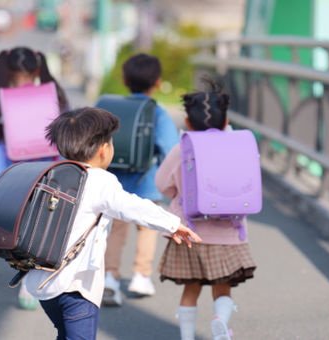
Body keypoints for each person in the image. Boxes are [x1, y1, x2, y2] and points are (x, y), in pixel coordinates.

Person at [23, 107, 202, 340]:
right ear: (103, 150)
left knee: (64, 333)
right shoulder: (99, 180)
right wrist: (171, 223)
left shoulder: (52, 174)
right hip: (77, 288)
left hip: (44, 285)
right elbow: (131, 206)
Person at [155, 82, 257, 340]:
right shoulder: (239, 144)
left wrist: (179, 194)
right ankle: (220, 321)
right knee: (222, 289)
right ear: (226, 122)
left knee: (191, 289)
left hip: (190, 232)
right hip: (228, 233)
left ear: (188, 122)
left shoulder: (183, 148)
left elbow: (162, 184)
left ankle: (187, 337)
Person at [0, 46, 68, 310]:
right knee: (47, 230)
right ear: (38, 69)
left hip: (15, 177)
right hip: (51, 174)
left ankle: (29, 281)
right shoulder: (54, 98)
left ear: (7, 72)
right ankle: (41, 281)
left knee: (23, 234)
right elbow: (65, 140)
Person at [103, 53, 180, 305]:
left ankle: (110, 278)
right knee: (147, 229)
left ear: (125, 81)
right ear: (157, 83)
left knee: (115, 231)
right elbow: (171, 151)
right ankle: (140, 276)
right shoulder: (157, 113)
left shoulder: (110, 107)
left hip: (114, 184)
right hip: (147, 184)